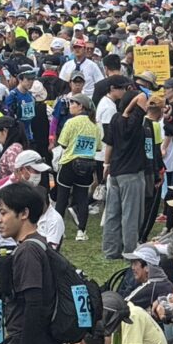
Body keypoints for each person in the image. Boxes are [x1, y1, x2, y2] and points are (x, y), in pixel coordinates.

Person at [0, 182, 61, 344]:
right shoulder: (40, 243)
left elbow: (33, 303)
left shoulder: (27, 252)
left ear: (24, 214)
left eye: (3, 213)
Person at [103, 85, 150, 259]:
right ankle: (129, 250)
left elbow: (109, 144)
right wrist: (133, 104)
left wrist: (106, 164)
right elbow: (142, 98)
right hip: (131, 173)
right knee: (131, 214)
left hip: (115, 171)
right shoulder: (134, 121)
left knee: (112, 213)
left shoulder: (115, 119)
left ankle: (110, 250)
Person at [54, 92, 100, 241]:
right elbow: (98, 147)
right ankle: (81, 231)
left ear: (81, 106)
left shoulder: (71, 122)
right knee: (82, 199)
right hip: (87, 165)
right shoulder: (94, 125)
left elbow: (63, 143)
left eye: (73, 103)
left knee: (62, 198)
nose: (70, 106)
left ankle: (59, 231)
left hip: (69, 162)